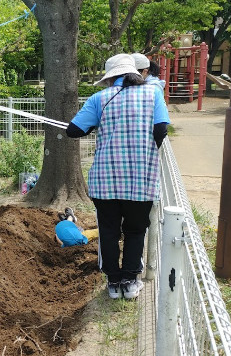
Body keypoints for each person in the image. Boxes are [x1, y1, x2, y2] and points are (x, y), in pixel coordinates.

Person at [66, 53, 170, 300]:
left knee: (109, 230)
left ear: (110, 78)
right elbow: (161, 129)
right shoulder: (153, 93)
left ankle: (113, 283)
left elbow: (73, 130)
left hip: (105, 179)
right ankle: (130, 281)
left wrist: (95, 124)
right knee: (136, 230)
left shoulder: (99, 98)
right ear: (136, 73)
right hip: (140, 178)